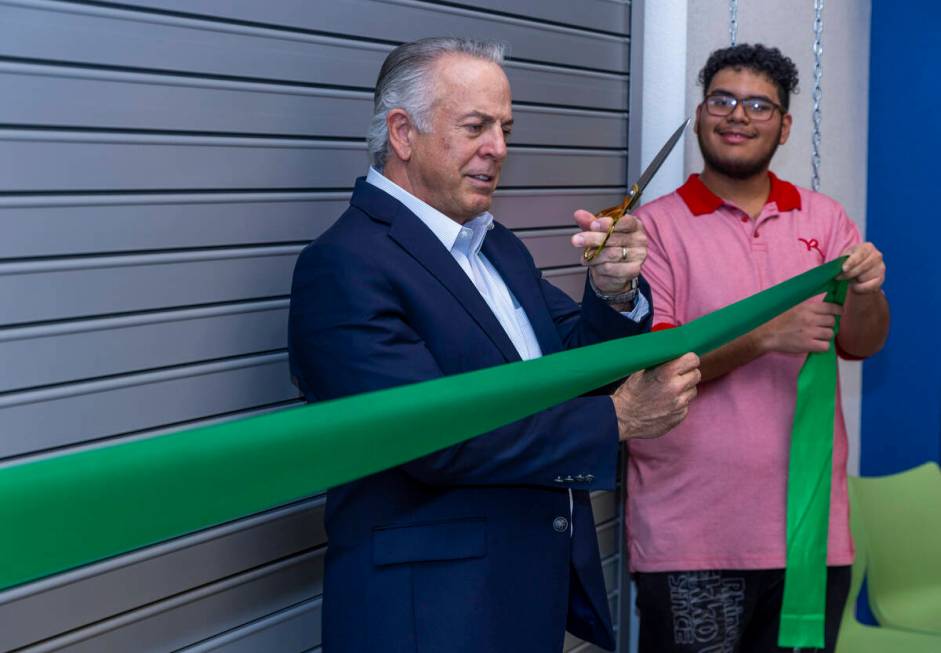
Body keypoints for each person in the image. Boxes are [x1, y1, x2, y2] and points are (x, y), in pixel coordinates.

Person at [288, 37, 701, 653]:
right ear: (402, 133)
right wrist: (617, 419)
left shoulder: (494, 244)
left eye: (505, 128)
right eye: (476, 126)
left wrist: (614, 295)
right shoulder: (343, 265)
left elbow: (568, 360)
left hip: (519, 598)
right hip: (428, 617)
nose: (499, 149)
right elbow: (431, 437)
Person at [628, 43, 890, 653]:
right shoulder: (655, 229)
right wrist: (766, 337)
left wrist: (869, 291)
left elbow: (863, 342)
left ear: (785, 125)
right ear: (699, 114)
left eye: (757, 104)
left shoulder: (824, 220)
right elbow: (654, 373)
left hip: (811, 538)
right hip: (691, 541)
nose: (737, 115)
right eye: (722, 99)